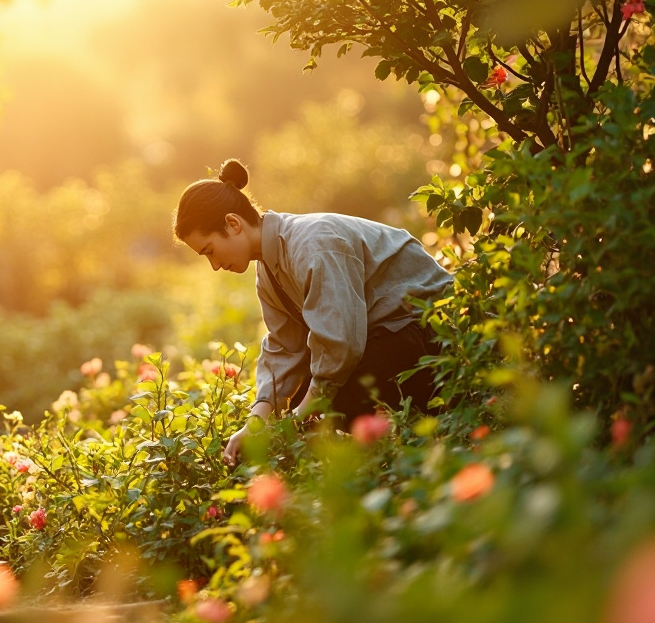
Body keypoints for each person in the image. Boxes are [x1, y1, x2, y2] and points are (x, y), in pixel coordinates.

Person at [173, 159, 454, 467]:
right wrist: (256, 421)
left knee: (328, 410)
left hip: (430, 331)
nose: (214, 266)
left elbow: (341, 343)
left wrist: (299, 419)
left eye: (209, 250)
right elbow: (284, 346)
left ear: (234, 224)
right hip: (383, 336)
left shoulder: (313, 244)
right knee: (305, 400)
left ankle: (399, 467)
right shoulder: (267, 270)